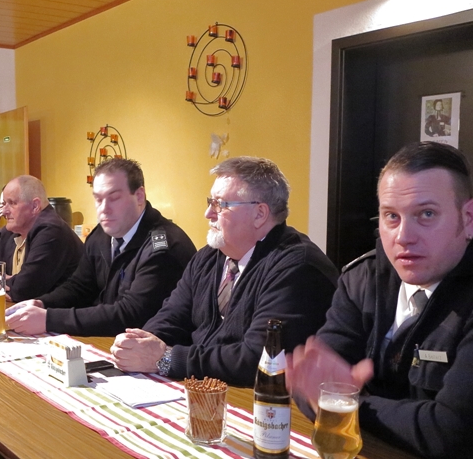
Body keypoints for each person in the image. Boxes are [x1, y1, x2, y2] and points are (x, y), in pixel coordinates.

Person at [288, 141, 473, 459]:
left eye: (426, 214)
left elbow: (457, 434)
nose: (404, 236)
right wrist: (329, 396)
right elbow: (311, 388)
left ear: (469, 218)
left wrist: (346, 404)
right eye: (391, 216)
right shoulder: (362, 279)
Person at [110, 157, 338, 386]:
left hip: (259, 400)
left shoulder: (298, 268)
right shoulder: (208, 257)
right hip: (206, 387)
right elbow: (173, 316)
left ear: (259, 214)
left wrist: (168, 358)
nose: (208, 213)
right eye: (210, 201)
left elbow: (257, 359)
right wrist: (140, 343)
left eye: (220, 204)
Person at [6, 158, 196, 336]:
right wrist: (42, 303)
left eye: (114, 198)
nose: (104, 208)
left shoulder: (163, 246)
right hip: (110, 340)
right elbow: (80, 287)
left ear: (139, 196)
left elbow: (132, 314)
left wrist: (49, 319)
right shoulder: (101, 235)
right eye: (98, 199)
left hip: (157, 350)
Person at [0, 175, 82, 302]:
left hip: (58, 312)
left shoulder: (51, 231)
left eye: (12, 203)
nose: (4, 211)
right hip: (20, 309)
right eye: (4, 204)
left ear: (35, 206)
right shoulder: (11, 231)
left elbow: (23, 290)